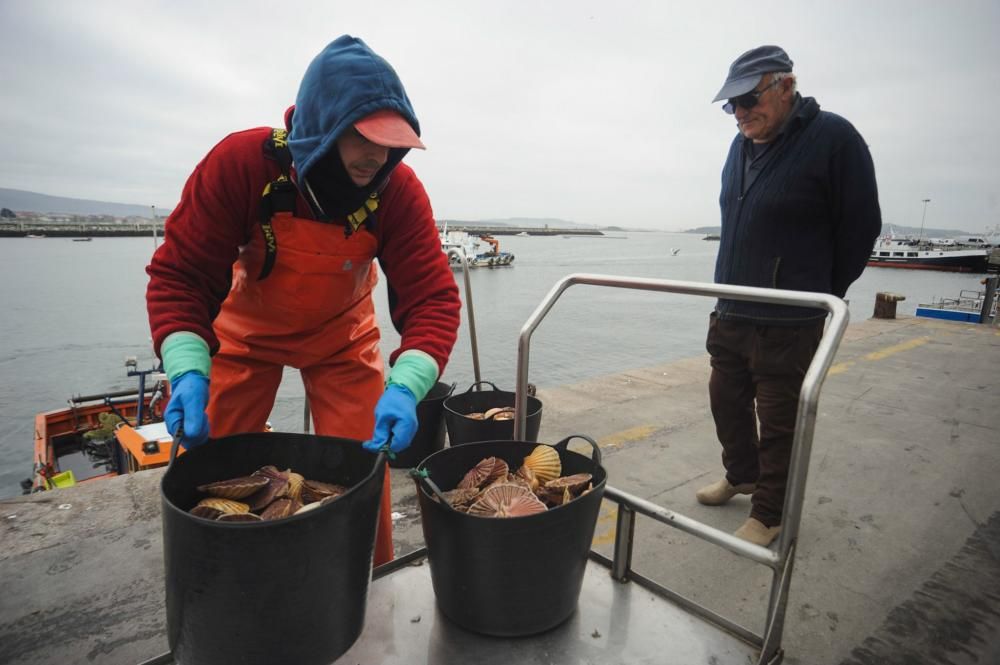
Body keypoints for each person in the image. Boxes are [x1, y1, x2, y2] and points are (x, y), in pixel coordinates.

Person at [146, 35, 461, 565]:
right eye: (363, 137)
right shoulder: (241, 164)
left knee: (366, 472)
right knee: (215, 473)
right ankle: (225, 578)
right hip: (242, 340)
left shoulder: (397, 191)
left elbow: (433, 300)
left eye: (391, 142)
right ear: (322, 129)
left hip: (343, 339)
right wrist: (186, 370)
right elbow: (181, 277)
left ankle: (370, 580)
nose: (377, 155)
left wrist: (407, 387)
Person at [698, 45, 881, 546]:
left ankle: (771, 512)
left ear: (784, 86)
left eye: (748, 100)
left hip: (788, 319)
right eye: (730, 105)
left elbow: (861, 227)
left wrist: (820, 293)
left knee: (778, 420)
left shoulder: (834, 139)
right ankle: (742, 475)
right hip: (731, 308)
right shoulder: (740, 145)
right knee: (725, 401)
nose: (739, 113)